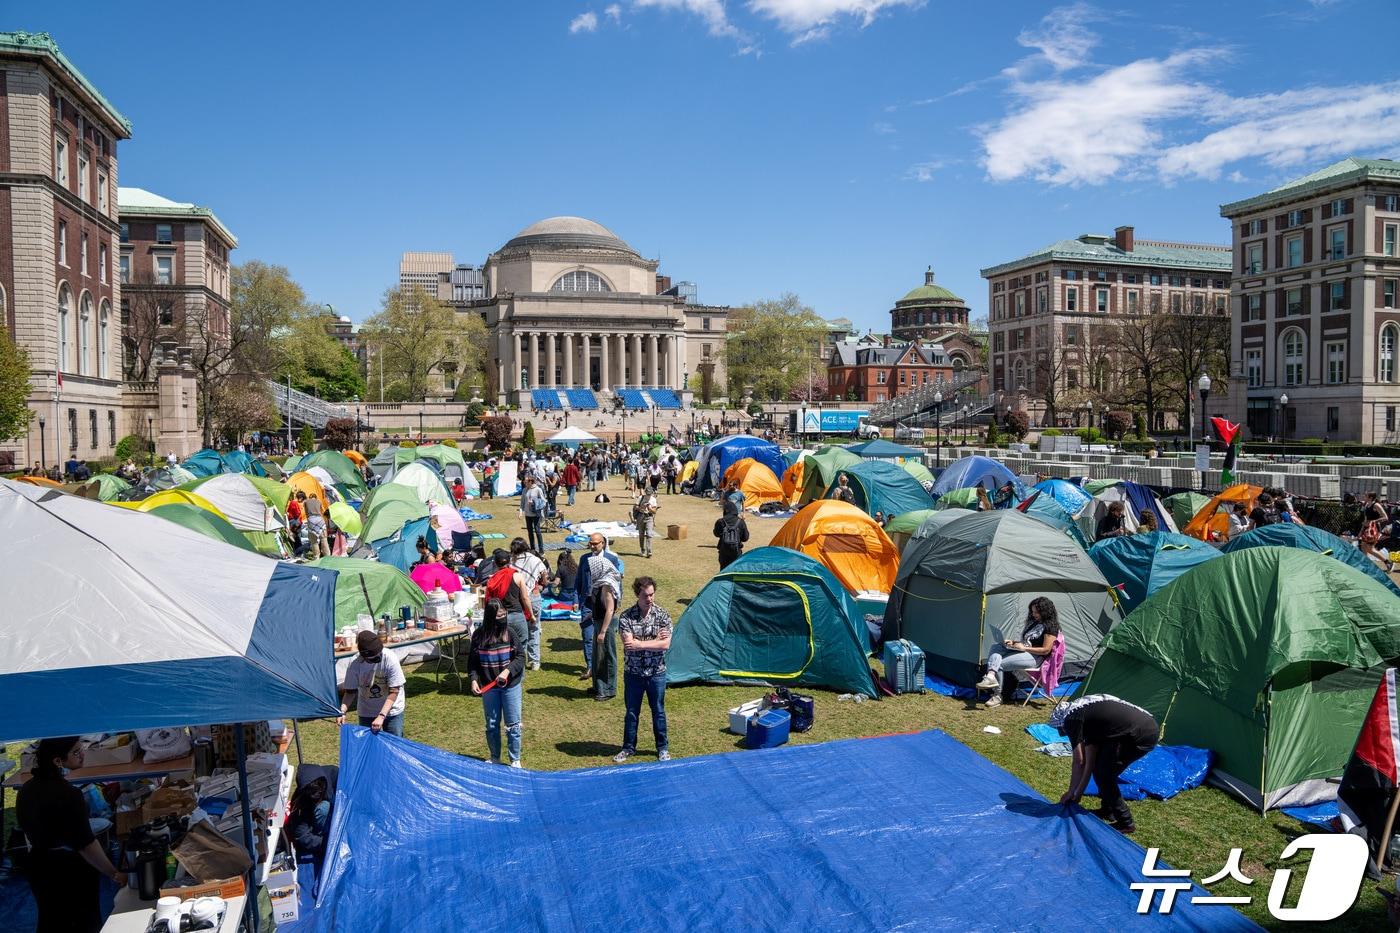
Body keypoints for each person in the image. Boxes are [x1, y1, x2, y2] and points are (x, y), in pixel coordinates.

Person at [16, 736, 126, 932]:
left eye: (81, 748)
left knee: (50, 921)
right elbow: (86, 845)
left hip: (38, 865)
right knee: (83, 922)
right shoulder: (69, 795)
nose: (82, 754)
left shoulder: (26, 790)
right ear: (58, 761)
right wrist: (113, 872)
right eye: (76, 752)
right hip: (69, 872)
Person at [1053, 694, 1160, 834]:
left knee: (1104, 775)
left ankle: (1126, 822)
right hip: (1142, 728)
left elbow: (1079, 761)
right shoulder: (1090, 719)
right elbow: (1089, 764)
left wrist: (1070, 792)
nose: (1065, 734)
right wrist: (1077, 794)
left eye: (1063, 731)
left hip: (1138, 734)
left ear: (1062, 723)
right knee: (1101, 770)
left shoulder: (1072, 719)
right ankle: (1108, 810)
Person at [614, 576, 673, 763]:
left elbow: (665, 645)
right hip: (633, 673)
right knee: (631, 712)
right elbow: (628, 644)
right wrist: (654, 641)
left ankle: (662, 748)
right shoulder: (625, 617)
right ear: (637, 595)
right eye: (646, 595)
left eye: (652, 594)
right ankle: (628, 748)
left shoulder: (663, 615)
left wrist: (640, 643)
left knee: (659, 711)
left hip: (657, 673)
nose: (650, 599)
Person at [468, 597, 527, 767]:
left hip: (511, 686)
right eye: (499, 615)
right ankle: (495, 757)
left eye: (504, 614)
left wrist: (507, 671)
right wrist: (473, 680)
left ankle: (515, 759)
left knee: (513, 724)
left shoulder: (510, 633)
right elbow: (473, 662)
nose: (502, 618)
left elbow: (521, 657)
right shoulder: (479, 636)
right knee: (492, 724)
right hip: (489, 687)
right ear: (490, 616)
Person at [976, 596, 1060, 708]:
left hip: (1036, 657)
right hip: (1024, 651)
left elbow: (1045, 650)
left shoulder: (1051, 627)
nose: (1034, 614)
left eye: (1037, 612)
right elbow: (1028, 641)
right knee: (996, 647)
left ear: (1045, 611)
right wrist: (1014, 642)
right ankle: (991, 676)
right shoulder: (1035, 622)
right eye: (1033, 611)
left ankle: (998, 695)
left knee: (999, 664)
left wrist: (1024, 648)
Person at [576, 533, 624, 699]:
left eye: (595, 543)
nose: (592, 546)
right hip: (595, 614)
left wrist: (603, 630)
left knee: (607, 655)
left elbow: (611, 606)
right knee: (597, 654)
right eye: (590, 543)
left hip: (606, 621)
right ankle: (597, 685)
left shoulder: (607, 583)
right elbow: (581, 583)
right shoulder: (595, 575)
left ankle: (608, 690)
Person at [336, 631, 406, 736]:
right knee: (369, 745)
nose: (378, 658)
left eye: (379, 654)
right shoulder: (355, 664)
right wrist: (342, 711)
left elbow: (394, 691)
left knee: (394, 744)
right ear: (363, 656)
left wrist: (381, 716)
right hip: (367, 711)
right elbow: (350, 692)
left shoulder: (390, 658)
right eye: (374, 657)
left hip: (392, 710)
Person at [484, 549, 535, 656]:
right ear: (509, 561)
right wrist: (531, 615)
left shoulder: (492, 579)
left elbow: (488, 601)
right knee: (521, 648)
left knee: (503, 647)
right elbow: (525, 598)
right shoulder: (517, 576)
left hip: (500, 618)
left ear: (495, 563)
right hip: (517, 616)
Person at [510, 538, 549, 670]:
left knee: (519, 630)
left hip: (517, 598)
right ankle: (535, 661)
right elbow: (545, 578)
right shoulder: (535, 560)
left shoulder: (511, 561)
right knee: (534, 629)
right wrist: (540, 587)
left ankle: (519, 659)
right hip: (534, 596)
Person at [713, 499, 749, 569]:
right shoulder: (740, 522)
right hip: (736, 551)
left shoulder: (720, 521)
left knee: (723, 571)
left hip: (723, 551)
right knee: (735, 571)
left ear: (725, 510)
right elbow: (745, 538)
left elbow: (716, 534)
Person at [521, 474, 547, 553]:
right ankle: (532, 549)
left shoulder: (538, 489)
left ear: (531, 482)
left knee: (537, 531)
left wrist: (534, 503)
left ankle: (541, 549)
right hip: (527, 514)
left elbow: (544, 501)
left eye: (526, 482)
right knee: (530, 532)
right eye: (524, 482)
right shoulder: (524, 490)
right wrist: (520, 512)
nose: (525, 484)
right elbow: (522, 502)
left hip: (536, 514)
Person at [632, 485, 659, 559]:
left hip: (649, 517)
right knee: (641, 534)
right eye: (647, 493)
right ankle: (642, 550)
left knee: (649, 534)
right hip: (640, 516)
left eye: (649, 494)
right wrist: (641, 507)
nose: (648, 495)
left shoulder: (653, 499)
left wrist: (650, 508)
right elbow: (635, 507)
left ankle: (649, 551)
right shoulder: (641, 498)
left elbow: (654, 511)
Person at [304, 490, 329, 559]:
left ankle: (316, 556)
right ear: (315, 497)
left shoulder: (306, 502)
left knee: (314, 541)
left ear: (309, 497)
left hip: (311, 520)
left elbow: (306, 513)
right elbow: (322, 511)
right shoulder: (319, 501)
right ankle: (327, 555)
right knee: (324, 539)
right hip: (319, 519)